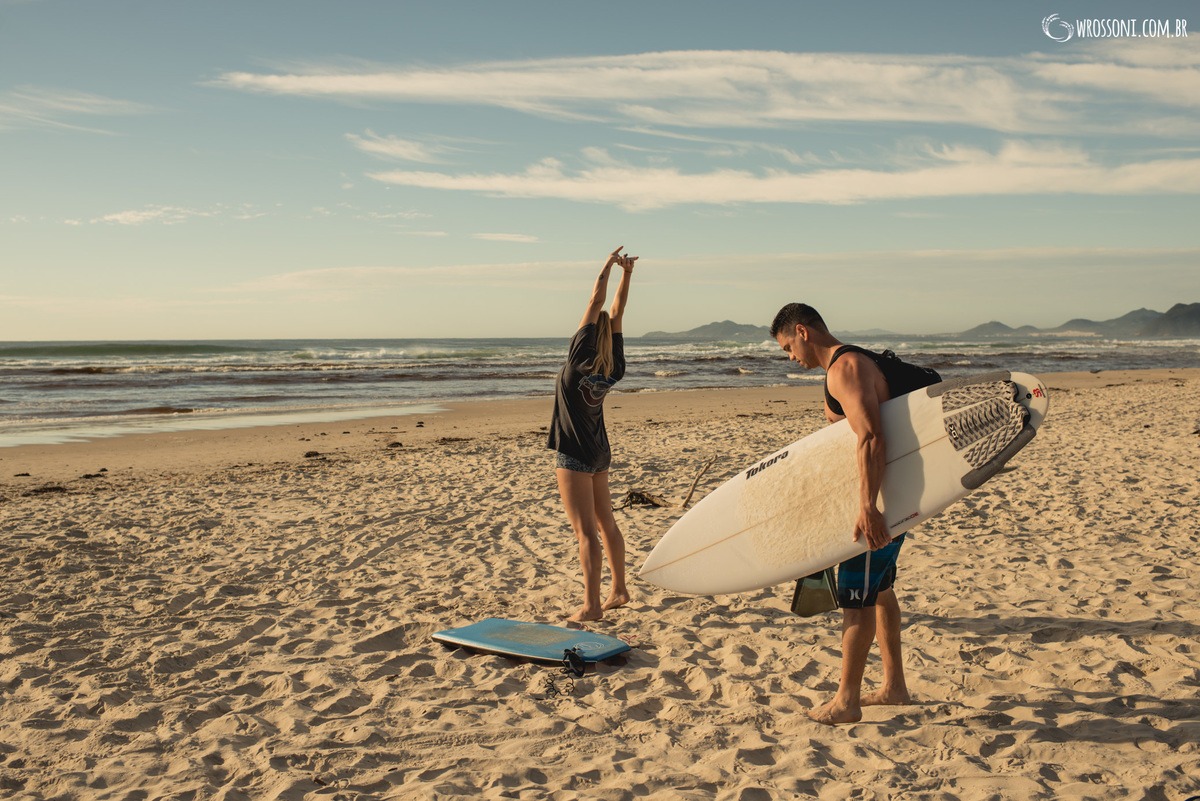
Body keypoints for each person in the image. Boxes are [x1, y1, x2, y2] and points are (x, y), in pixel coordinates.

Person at [770, 302, 938, 725]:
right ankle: (895, 687)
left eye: (788, 346)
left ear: (803, 331)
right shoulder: (857, 361)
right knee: (880, 591)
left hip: (876, 501)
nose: (791, 358)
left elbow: (870, 438)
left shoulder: (844, 368)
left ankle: (847, 702)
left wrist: (867, 507)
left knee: (856, 601)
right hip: (894, 497)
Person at [548, 246, 638, 622]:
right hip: (600, 451)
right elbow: (614, 311)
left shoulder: (579, 355)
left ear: (585, 333)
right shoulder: (613, 364)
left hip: (573, 452)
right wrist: (628, 274)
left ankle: (592, 605)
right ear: (610, 335)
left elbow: (597, 300)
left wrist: (606, 266)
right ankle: (618, 589)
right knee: (607, 523)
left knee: (586, 532)